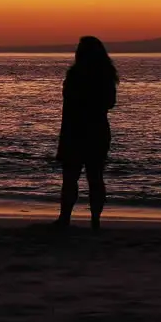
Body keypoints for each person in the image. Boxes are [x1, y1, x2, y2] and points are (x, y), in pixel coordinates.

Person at [54, 36, 118, 230]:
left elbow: (70, 104)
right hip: (96, 132)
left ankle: (65, 219)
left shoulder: (75, 76)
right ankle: (95, 222)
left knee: (72, 177)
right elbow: (110, 103)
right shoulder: (106, 76)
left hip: (75, 131)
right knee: (95, 177)